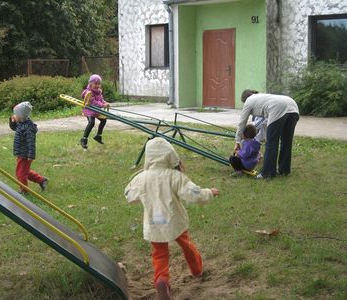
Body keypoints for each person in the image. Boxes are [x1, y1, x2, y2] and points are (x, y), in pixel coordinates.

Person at [124, 137, 220, 300]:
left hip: (154, 222)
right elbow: (193, 194)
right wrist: (209, 192)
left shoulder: (141, 178)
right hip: (175, 221)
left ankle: (162, 280)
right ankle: (197, 270)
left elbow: (129, 195)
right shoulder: (175, 176)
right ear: (170, 155)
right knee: (186, 245)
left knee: (159, 254)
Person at [235, 90, 299, 179]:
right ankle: (284, 170)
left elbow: (242, 122)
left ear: (245, 99)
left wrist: (237, 141)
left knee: (271, 143)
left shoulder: (249, 101)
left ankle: (267, 173)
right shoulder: (262, 97)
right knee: (286, 141)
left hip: (278, 107)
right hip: (293, 106)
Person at [9, 101, 48, 194]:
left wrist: (31, 154)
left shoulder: (28, 128)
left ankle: (24, 191)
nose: (14, 115)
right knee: (24, 171)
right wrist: (12, 121)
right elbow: (14, 128)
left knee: (20, 174)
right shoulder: (21, 123)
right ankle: (41, 180)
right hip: (21, 152)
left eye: (15, 114)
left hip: (25, 154)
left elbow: (31, 142)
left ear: (21, 116)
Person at [80, 74, 110, 149]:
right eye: (95, 84)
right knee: (91, 123)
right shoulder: (89, 92)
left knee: (103, 120)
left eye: (98, 84)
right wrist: (103, 105)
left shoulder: (98, 91)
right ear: (90, 84)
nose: (97, 85)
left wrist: (105, 103)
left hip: (96, 110)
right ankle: (84, 139)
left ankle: (98, 136)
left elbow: (101, 100)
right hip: (89, 110)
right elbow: (93, 102)